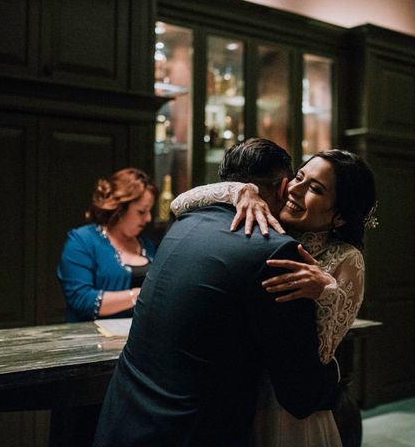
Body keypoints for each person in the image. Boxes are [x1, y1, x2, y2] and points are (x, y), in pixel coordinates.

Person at [93, 139, 341, 447]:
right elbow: (300, 394)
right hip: (193, 432)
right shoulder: (276, 251)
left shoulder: (184, 223)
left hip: (126, 418)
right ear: (282, 188)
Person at [170, 147, 378, 446]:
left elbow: (320, 352)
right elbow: (179, 204)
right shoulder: (263, 218)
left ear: (341, 216)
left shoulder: (347, 258)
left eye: (315, 189)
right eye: (299, 177)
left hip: (286, 403)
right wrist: (242, 191)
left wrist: (326, 291)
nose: (294, 189)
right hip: (238, 387)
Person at [57, 167, 158, 322]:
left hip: (139, 337)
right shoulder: (82, 241)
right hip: (92, 338)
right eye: (141, 212)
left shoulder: (147, 244)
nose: (148, 218)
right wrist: (139, 295)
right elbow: (82, 300)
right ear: (120, 209)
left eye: (150, 211)